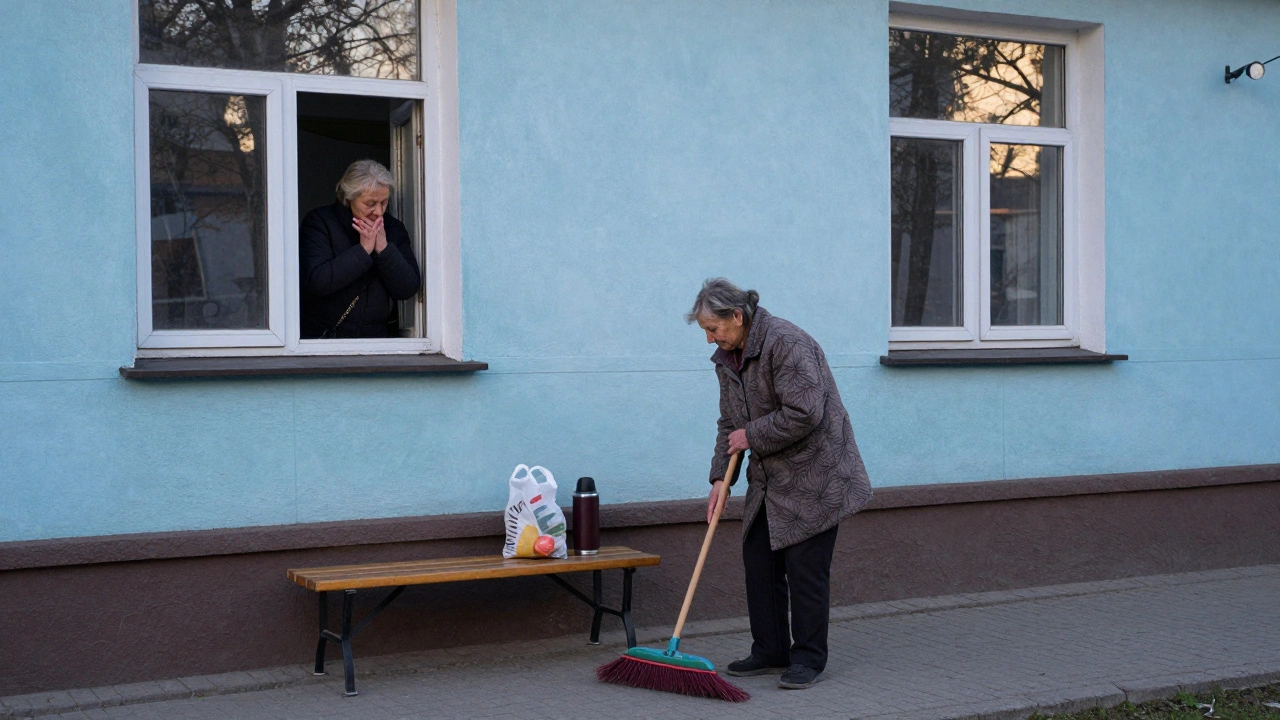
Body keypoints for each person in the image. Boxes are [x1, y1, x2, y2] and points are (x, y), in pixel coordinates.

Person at [687, 277, 872, 690]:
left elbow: (806, 411)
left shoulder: (786, 343)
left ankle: (808, 659)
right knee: (760, 563)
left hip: (816, 475)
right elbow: (729, 424)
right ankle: (770, 650)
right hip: (770, 481)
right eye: (705, 332)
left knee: (805, 570)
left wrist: (751, 436)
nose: (709, 339)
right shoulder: (727, 358)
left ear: (737, 316)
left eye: (712, 329)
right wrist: (721, 478)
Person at [300, 159, 421, 339]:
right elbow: (318, 281)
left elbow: (408, 289)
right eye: (370, 204)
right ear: (348, 197)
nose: (379, 212)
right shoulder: (320, 222)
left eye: (384, 203)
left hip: (378, 339)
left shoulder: (394, 228)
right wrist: (363, 251)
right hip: (326, 339)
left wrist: (384, 249)